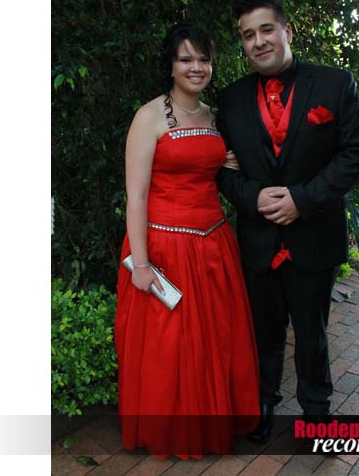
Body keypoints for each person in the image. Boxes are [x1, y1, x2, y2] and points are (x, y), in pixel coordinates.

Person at [216, 0, 359, 442]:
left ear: (287, 31)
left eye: (266, 30)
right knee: (263, 333)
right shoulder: (229, 99)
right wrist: (252, 197)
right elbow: (220, 170)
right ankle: (264, 405)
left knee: (312, 333)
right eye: (248, 35)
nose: (258, 41)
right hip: (257, 240)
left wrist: (302, 199)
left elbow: (356, 153)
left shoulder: (334, 84)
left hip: (314, 235)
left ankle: (317, 414)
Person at [115, 23, 259, 458]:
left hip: (214, 244)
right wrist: (141, 264)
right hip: (165, 250)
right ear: (171, 65)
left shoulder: (215, 117)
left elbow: (212, 168)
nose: (196, 67)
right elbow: (137, 196)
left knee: (215, 340)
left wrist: (229, 161)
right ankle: (173, 432)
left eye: (203, 59)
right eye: (186, 59)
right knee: (170, 347)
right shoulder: (149, 117)